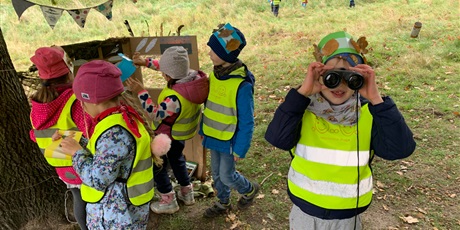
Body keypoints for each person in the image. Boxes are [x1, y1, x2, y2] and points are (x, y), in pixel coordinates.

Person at [264, 31, 416, 229]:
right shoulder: (302, 109)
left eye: (350, 76)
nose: (340, 84)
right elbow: (277, 139)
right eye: (331, 77)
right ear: (319, 75)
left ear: (359, 78)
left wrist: (377, 100)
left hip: (347, 216)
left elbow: (399, 150)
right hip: (304, 211)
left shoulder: (369, 114)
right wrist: (301, 94)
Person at [56, 60, 170, 229]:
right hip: (127, 210)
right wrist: (77, 141)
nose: (83, 107)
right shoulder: (122, 118)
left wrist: (76, 153)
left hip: (114, 215)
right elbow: (108, 153)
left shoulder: (113, 133)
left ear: (92, 101)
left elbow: (98, 179)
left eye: (82, 102)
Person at [126, 46, 209, 214]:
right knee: (178, 160)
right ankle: (187, 192)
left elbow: (155, 114)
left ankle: (168, 199)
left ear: (168, 75)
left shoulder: (174, 99)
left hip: (167, 135)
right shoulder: (191, 78)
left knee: (158, 164)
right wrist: (145, 62)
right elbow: (165, 66)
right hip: (181, 134)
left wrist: (141, 91)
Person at [29, 46, 94, 230]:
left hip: (60, 164)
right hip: (81, 161)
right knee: (93, 198)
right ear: (68, 71)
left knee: (78, 198)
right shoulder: (74, 100)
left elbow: (34, 135)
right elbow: (90, 130)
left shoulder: (37, 104)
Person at [200, 23, 259, 218]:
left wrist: (241, 148)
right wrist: (203, 130)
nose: (209, 54)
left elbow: (247, 121)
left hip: (229, 139)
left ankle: (249, 189)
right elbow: (210, 106)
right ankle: (223, 202)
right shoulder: (215, 74)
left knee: (226, 174)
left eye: (213, 50)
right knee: (216, 175)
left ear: (226, 55)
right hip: (214, 135)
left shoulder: (241, 86)